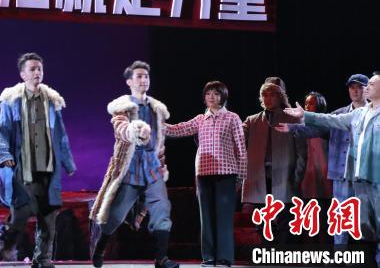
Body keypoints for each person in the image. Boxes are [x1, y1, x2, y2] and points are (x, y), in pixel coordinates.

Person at [280, 72, 380, 266]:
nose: (357, 90)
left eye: (362, 86)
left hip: (370, 177)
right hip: (344, 176)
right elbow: (321, 125)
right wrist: (297, 125)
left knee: (371, 222)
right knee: (343, 220)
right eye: (352, 87)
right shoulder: (346, 114)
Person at [90, 61, 178, 268]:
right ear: (129, 81)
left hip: (153, 167)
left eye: (146, 76)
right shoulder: (122, 108)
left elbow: (161, 138)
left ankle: (161, 258)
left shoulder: (156, 109)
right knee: (115, 215)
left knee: (162, 209)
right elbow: (121, 128)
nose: (143, 80)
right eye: (139, 76)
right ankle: (100, 247)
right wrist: (135, 130)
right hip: (130, 166)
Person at [0, 52, 76, 268]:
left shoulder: (52, 101)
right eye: (32, 69)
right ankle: (6, 248)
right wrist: (5, 155)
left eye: (39, 68)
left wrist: (67, 162)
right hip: (24, 168)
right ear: (22, 74)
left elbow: (60, 134)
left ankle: (42, 258)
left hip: (47, 167)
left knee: (49, 215)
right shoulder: (11, 101)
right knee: (20, 214)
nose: (37, 72)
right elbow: (2, 131)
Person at [163, 81, 246, 267]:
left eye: (216, 93)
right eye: (208, 93)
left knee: (223, 218)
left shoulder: (232, 118)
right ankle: (208, 257)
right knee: (206, 218)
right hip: (203, 173)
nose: (211, 97)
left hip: (226, 173)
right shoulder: (201, 119)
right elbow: (178, 129)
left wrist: (241, 176)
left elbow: (241, 148)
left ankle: (224, 258)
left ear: (223, 96)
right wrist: (157, 124)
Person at [242, 77, 307, 243]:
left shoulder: (292, 119)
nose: (268, 98)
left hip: (285, 177)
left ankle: (283, 255)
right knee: (263, 224)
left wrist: (296, 177)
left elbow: (302, 153)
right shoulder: (252, 120)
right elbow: (235, 137)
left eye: (272, 94)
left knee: (286, 223)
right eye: (265, 95)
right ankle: (268, 255)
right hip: (259, 179)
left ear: (280, 97)